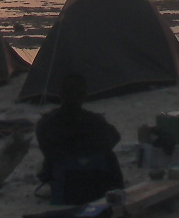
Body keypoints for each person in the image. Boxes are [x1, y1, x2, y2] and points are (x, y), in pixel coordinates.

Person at [34, 73, 124, 205]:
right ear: (84, 96)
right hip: (98, 187)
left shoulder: (46, 123)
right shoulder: (95, 122)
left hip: (66, 188)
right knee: (109, 157)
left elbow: (46, 150)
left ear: (59, 94)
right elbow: (114, 138)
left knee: (44, 165)